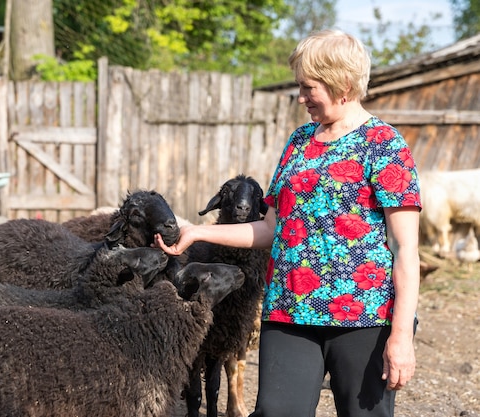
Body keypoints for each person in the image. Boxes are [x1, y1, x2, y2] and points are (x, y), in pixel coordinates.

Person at [155, 29, 421, 417]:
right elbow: (270, 228)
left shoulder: (385, 145)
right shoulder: (299, 143)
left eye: (308, 87)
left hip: (364, 316)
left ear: (341, 83)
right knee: (276, 411)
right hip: (290, 310)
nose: (300, 98)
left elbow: (405, 250)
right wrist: (196, 231)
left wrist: (400, 336)